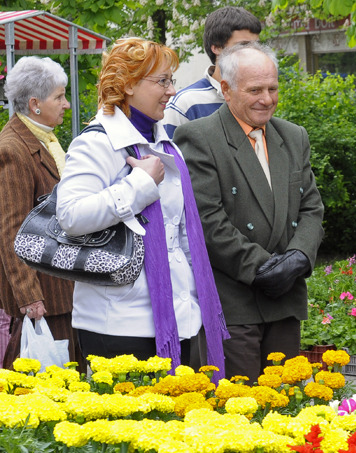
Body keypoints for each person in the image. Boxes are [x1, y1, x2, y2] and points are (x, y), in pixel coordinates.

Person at [56, 38, 229, 379]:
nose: (171, 91)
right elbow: (71, 216)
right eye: (162, 81)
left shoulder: (163, 143)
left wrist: (197, 301)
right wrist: (140, 185)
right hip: (118, 323)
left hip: (178, 319)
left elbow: (180, 234)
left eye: (171, 80)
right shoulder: (96, 142)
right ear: (128, 85)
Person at [174, 42, 324, 382]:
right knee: (239, 405)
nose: (267, 99)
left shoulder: (293, 136)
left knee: (286, 403)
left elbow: (312, 207)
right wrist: (263, 269)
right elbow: (207, 221)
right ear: (226, 89)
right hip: (234, 303)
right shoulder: (199, 137)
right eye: (255, 90)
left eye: (273, 88)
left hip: (285, 300)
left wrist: (299, 257)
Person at [0, 56, 81, 369]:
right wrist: (29, 296)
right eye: (59, 97)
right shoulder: (13, 149)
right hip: (44, 299)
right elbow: (11, 230)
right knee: (39, 385)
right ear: (35, 104)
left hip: (59, 291)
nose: (66, 104)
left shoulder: (42, 138)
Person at [162, 6, 262, 138]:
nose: (253, 53)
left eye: (256, 46)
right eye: (243, 45)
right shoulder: (185, 104)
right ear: (216, 47)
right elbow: (169, 151)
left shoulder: (263, 98)